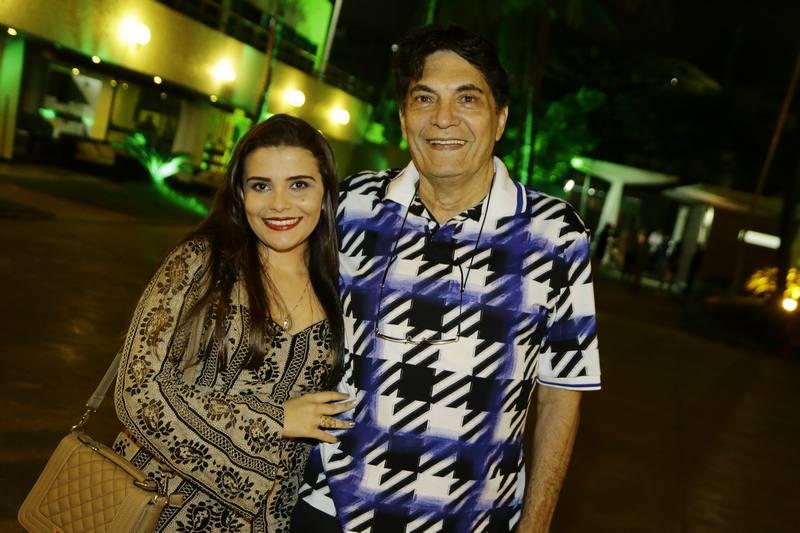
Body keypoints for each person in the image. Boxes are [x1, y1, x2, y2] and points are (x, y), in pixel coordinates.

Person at [294, 26, 601, 533]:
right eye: (424, 98)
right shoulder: (352, 205)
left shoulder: (555, 234)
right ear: (403, 117)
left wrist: (536, 524)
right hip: (330, 511)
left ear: (500, 118)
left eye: (467, 99)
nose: (442, 118)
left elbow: (561, 393)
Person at [113, 114, 354, 532]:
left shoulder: (339, 282)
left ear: (325, 192)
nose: (279, 204)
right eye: (261, 186)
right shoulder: (202, 263)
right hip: (160, 507)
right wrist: (275, 420)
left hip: (263, 522)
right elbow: (137, 393)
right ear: (241, 194)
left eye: (299, 185)